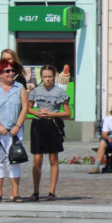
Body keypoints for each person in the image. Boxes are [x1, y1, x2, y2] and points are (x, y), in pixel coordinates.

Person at [0, 59, 29, 202]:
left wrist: (17, 126)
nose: (11, 73)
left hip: (14, 130)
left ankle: (15, 192)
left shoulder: (19, 87)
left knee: (14, 161)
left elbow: (25, 108)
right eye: (7, 71)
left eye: (12, 71)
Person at [28, 65, 71, 200]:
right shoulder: (35, 91)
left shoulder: (59, 92)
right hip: (38, 124)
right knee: (37, 159)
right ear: (42, 77)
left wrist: (52, 113)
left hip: (53, 124)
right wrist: (37, 112)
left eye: (50, 77)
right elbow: (28, 108)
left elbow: (68, 112)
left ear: (54, 77)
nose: (47, 79)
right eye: (45, 77)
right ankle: (35, 192)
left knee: (53, 158)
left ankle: (52, 191)